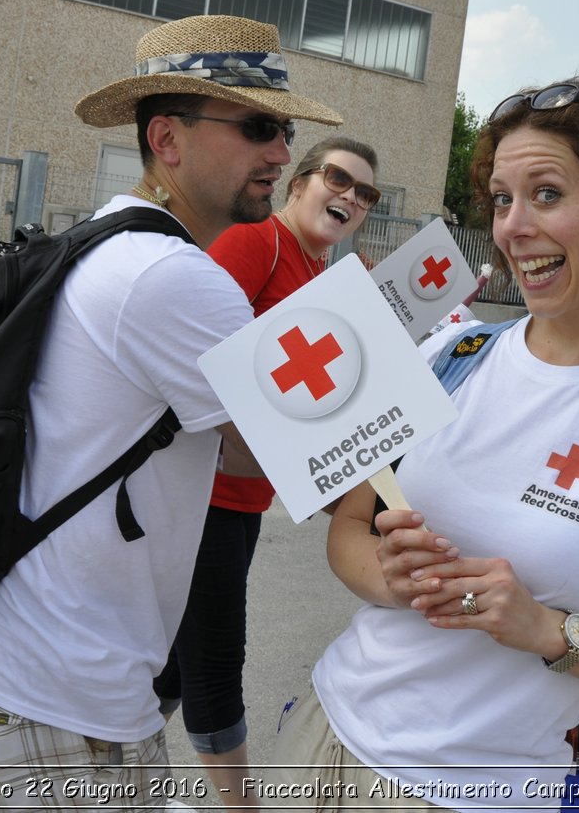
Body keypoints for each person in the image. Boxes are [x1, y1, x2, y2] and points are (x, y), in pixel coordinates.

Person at [274, 72, 579, 810]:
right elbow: (347, 531)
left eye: (547, 194)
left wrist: (550, 630)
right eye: (502, 198)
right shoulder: (449, 355)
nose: (512, 226)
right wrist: (390, 576)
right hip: (325, 741)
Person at [0, 14, 342, 807]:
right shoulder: (178, 276)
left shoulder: (107, 235)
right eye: (257, 125)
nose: (281, 151)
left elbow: (230, 448)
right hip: (53, 684)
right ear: (167, 140)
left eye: (285, 127)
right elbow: (299, 450)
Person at [153, 136, 379, 801]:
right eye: (339, 178)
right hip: (206, 497)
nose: (351, 197)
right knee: (215, 665)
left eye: (366, 192)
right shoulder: (257, 245)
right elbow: (195, 356)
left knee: (170, 668)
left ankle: (101, 775)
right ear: (299, 183)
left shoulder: (323, 276)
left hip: (246, 499)